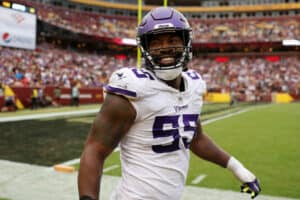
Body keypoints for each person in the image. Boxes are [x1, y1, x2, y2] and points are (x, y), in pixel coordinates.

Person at [78, 7, 261, 200]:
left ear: (186, 44)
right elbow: (94, 151)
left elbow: (195, 137)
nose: (165, 47)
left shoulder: (194, 85)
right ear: (145, 48)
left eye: (173, 40)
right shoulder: (134, 88)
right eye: (156, 42)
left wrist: (236, 167)